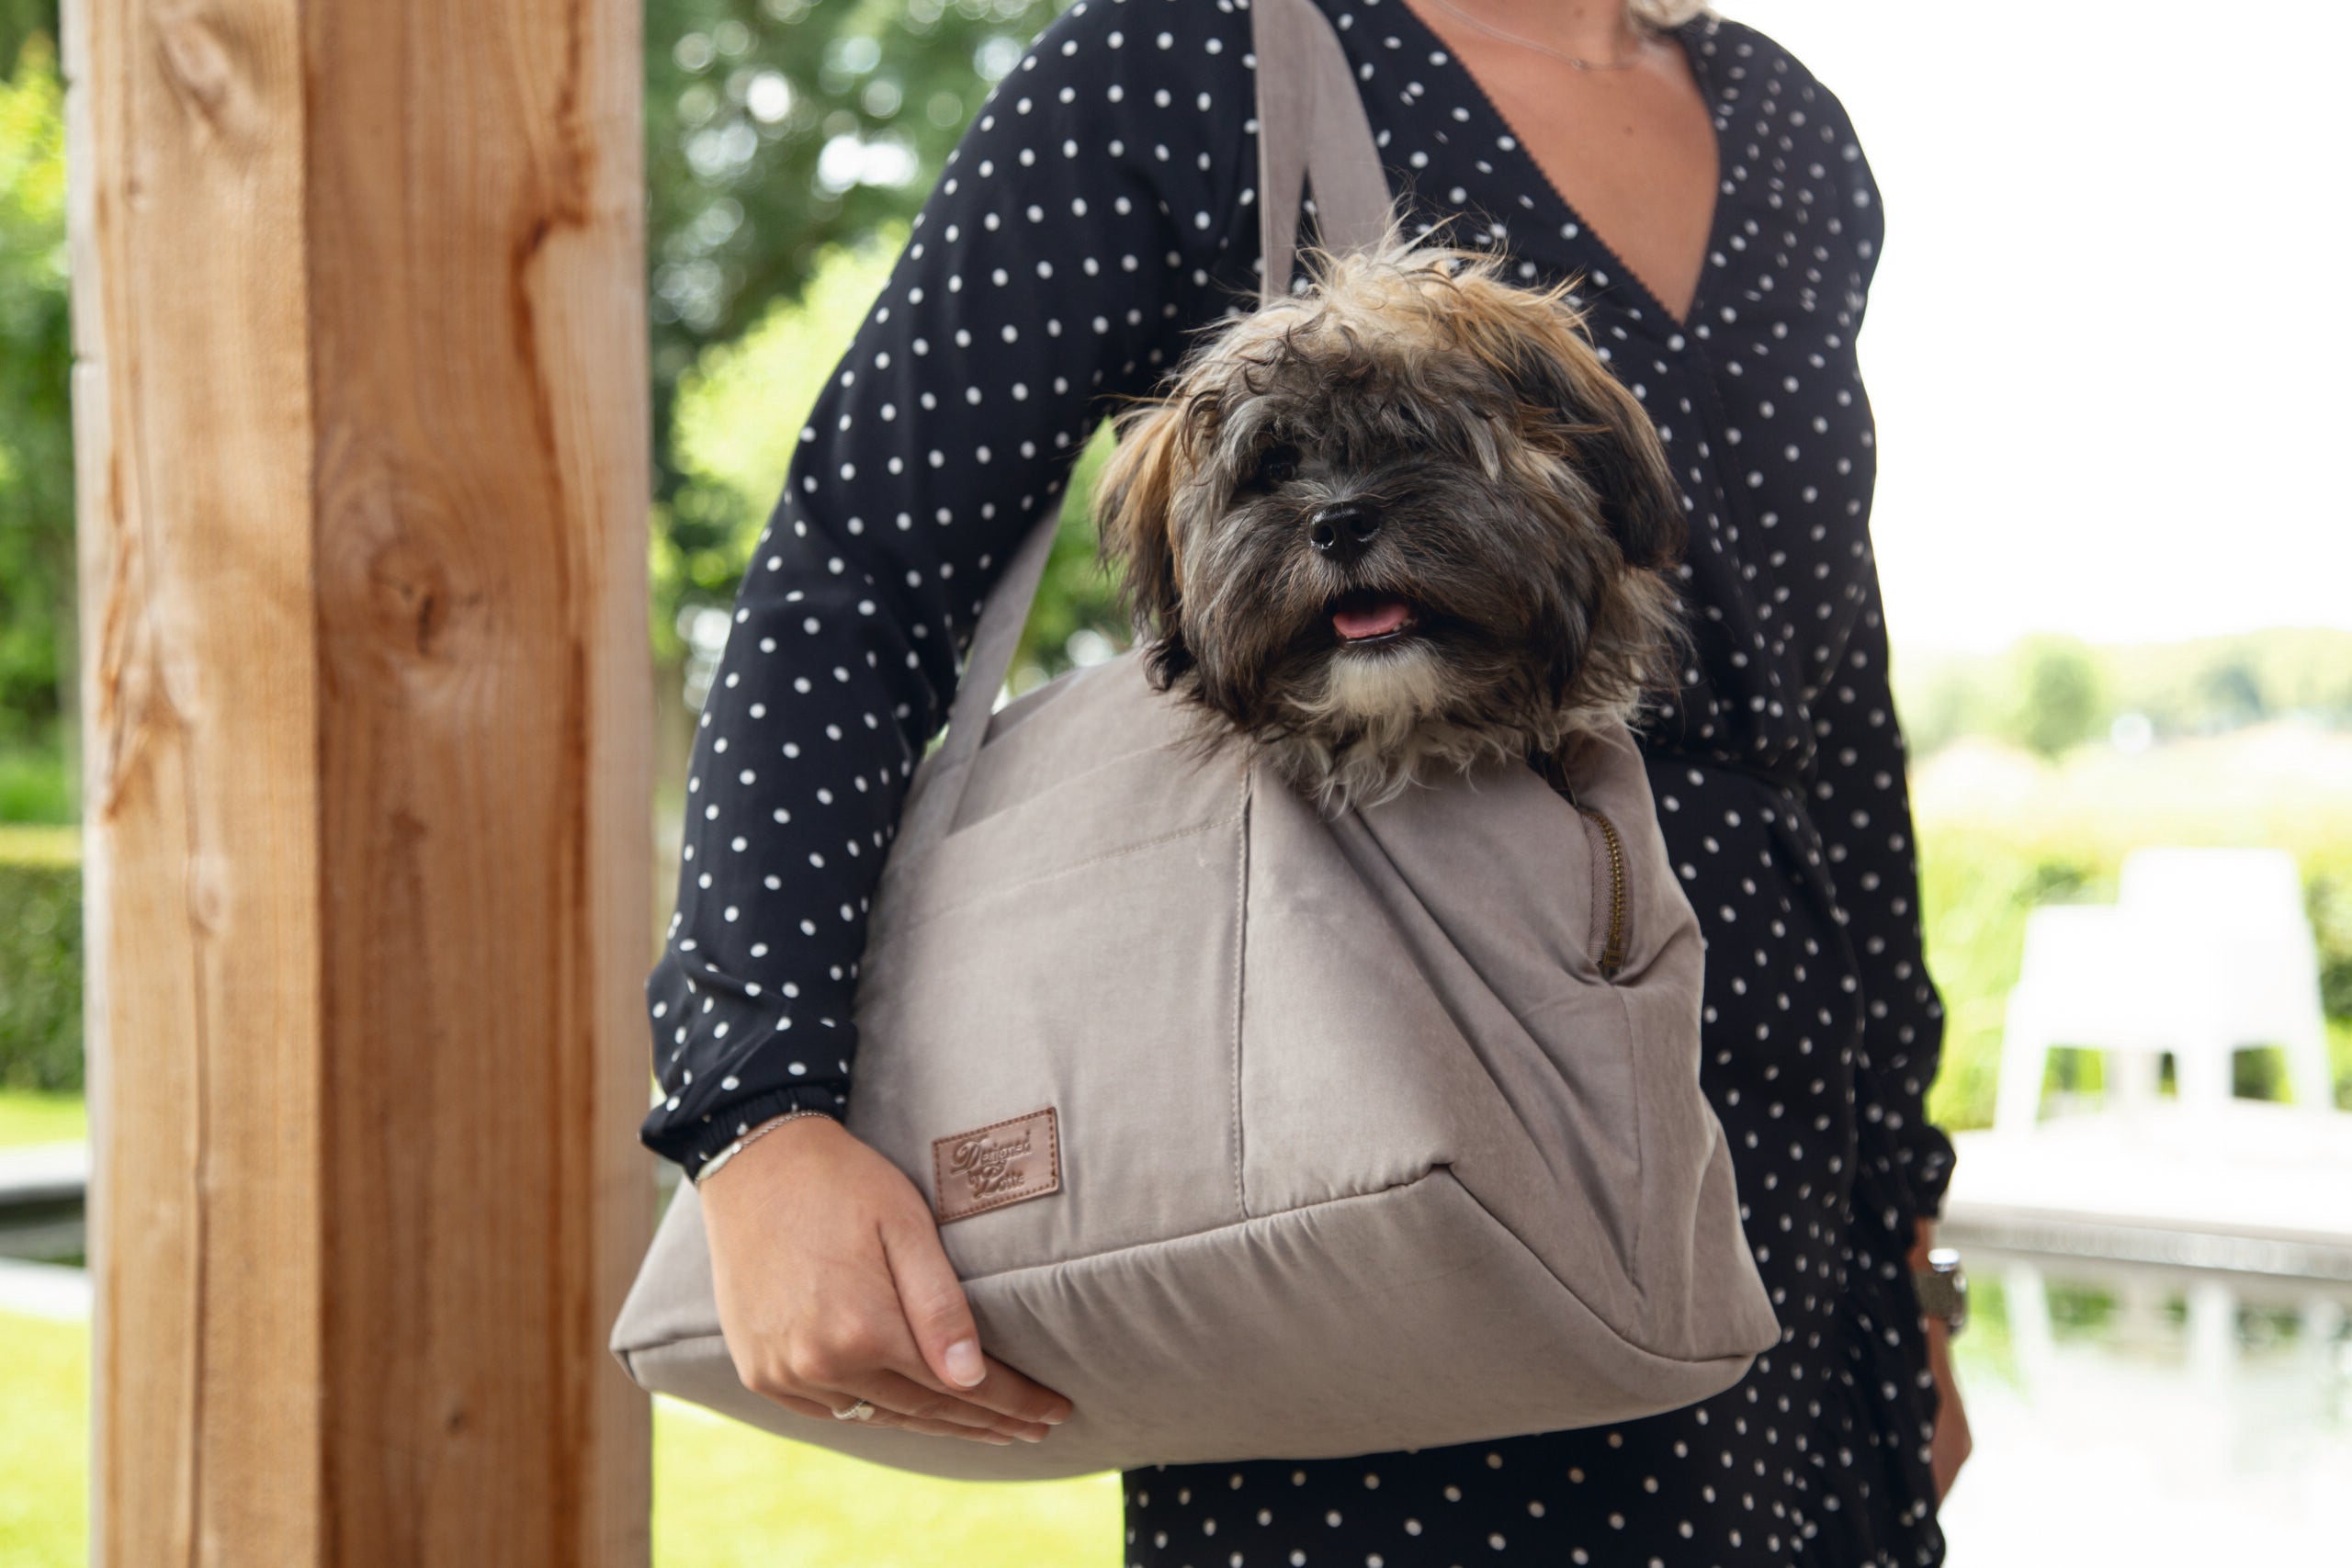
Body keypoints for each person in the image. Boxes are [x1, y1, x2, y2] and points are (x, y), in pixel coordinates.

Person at [640, 0, 1970, 1560]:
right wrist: (759, 1109)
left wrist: (1907, 1250)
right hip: (1377, 1160)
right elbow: (854, 579)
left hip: (1790, 1197)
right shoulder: (1184, 57)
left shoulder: (1785, 126)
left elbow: (1833, 722)